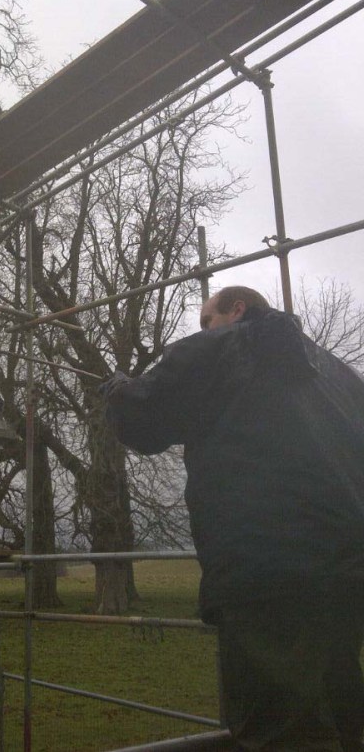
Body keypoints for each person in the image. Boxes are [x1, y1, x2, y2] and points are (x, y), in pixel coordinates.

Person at [101, 286, 364, 752]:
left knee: (280, 728)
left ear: (237, 310)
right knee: (345, 715)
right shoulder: (339, 375)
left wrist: (120, 394)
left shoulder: (221, 348)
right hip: (346, 577)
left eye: (207, 318)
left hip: (266, 574)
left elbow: (147, 419)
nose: (202, 329)